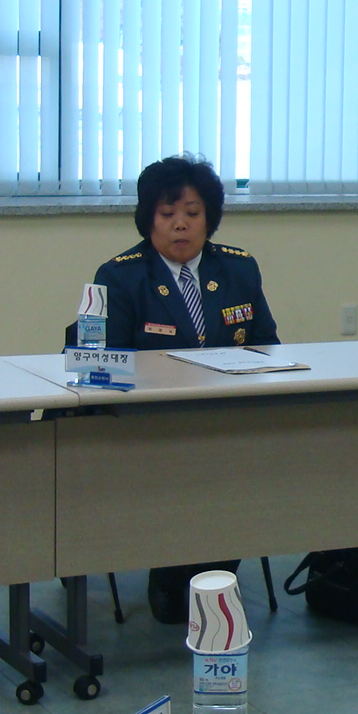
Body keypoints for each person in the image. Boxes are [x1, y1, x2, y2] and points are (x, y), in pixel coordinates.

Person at [91, 154, 278, 624]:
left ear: (209, 218)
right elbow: (103, 367)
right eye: (168, 213)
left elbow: (267, 347)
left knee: (244, 467)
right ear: (148, 219)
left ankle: (216, 570)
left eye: (193, 213)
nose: (181, 225)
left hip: (228, 421)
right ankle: (172, 572)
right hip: (152, 427)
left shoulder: (239, 268)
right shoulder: (120, 276)